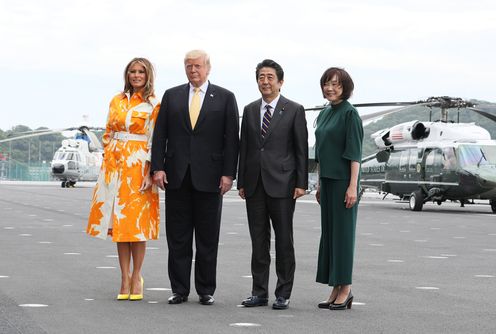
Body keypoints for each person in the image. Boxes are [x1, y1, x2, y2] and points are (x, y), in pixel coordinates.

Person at [151, 50, 239, 306]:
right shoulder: (172, 95)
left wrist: (228, 173)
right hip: (176, 177)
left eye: (198, 66)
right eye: (189, 66)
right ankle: (179, 289)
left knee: (207, 237)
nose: (193, 70)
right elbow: (160, 135)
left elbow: (232, 140)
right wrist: (158, 167)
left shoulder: (224, 97)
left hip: (211, 178)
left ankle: (205, 289)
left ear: (208, 68)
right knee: (177, 237)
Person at [87, 57, 160, 301]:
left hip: (138, 168)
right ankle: (124, 276)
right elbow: (108, 131)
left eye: (141, 71)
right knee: (119, 225)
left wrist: (151, 170)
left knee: (135, 225)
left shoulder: (154, 104)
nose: (136, 75)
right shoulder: (116, 100)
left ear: (148, 75)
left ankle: (137, 275)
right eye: (132, 71)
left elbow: (156, 139)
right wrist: (108, 157)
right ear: (127, 74)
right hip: (114, 167)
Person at [238, 59, 308, 310]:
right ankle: (259, 292)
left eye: (269, 77)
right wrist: (242, 180)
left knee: (284, 240)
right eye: (261, 77)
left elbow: (301, 149)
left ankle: (283, 292)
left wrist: (301, 182)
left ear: (280, 81)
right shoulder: (249, 109)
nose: (265, 82)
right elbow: (244, 147)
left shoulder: (294, 109)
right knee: (258, 240)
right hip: (254, 184)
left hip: (284, 184)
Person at [314, 67, 363, 310]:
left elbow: (354, 154)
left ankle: (346, 288)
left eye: (336, 84)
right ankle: (335, 285)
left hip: (345, 183)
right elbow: (322, 152)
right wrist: (320, 182)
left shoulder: (350, 114)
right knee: (330, 236)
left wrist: (353, 187)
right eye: (327, 83)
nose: (330, 88)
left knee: (343, 237)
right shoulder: (324, 114)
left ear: (345, 88)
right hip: (328, 182)